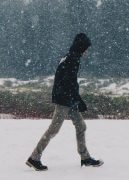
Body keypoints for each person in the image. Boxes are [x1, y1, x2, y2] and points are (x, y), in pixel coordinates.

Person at [26, 33, 104, 171]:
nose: (87, 51)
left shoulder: (70, 57)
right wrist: (77, 100)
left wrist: (75, 100)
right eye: (86, 48)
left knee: (81, 126)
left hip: (68, 99)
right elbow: (69, 83)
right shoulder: (72, 59)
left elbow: (68, 83)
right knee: (53, 129)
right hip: (64, 100)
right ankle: (34, 158)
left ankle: (85, 158)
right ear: (81, 47)